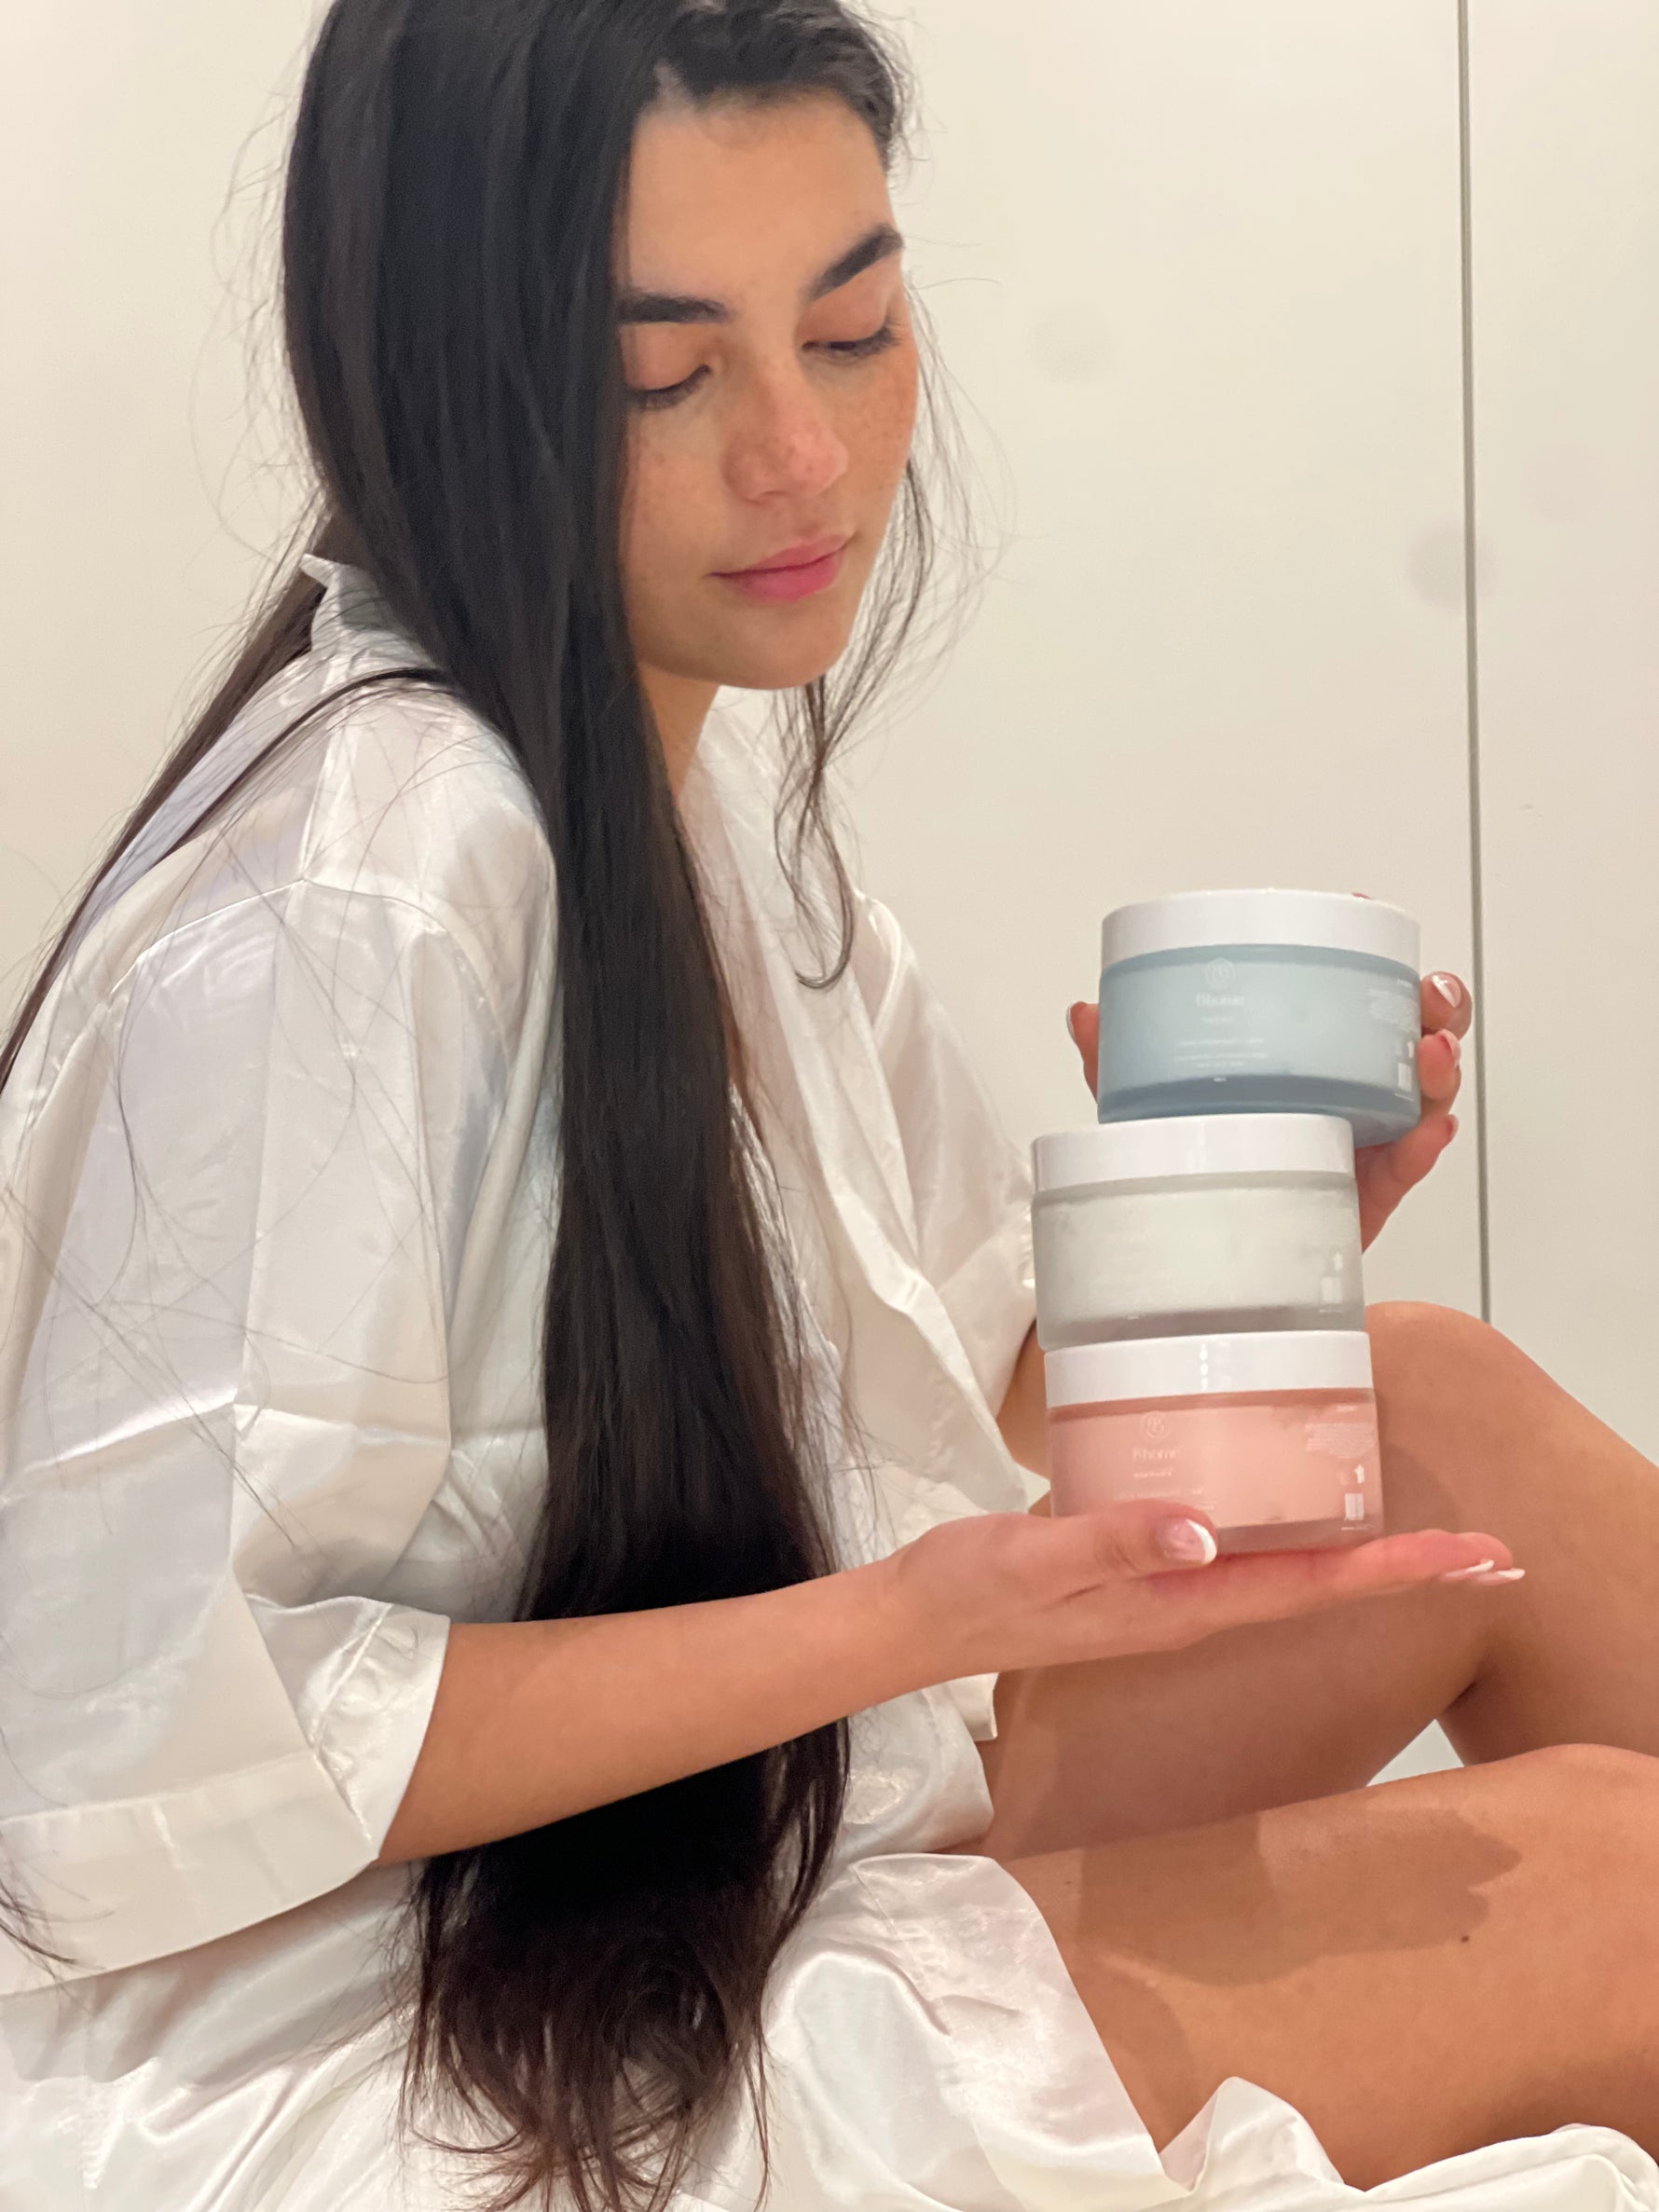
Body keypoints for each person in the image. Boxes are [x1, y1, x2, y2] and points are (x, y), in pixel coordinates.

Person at [2, 4, 1657, 2208]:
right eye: (663, 376)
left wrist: (1231, 1235)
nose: (799, 452)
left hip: (680, 1852)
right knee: (1619, 1897)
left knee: (1420, 1397)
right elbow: (160, 1746)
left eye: (853, 330)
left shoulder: (699, 811)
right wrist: (907, 1619)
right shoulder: (377, 880)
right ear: (452, 382)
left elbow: (940, 1400)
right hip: (375, 2032)